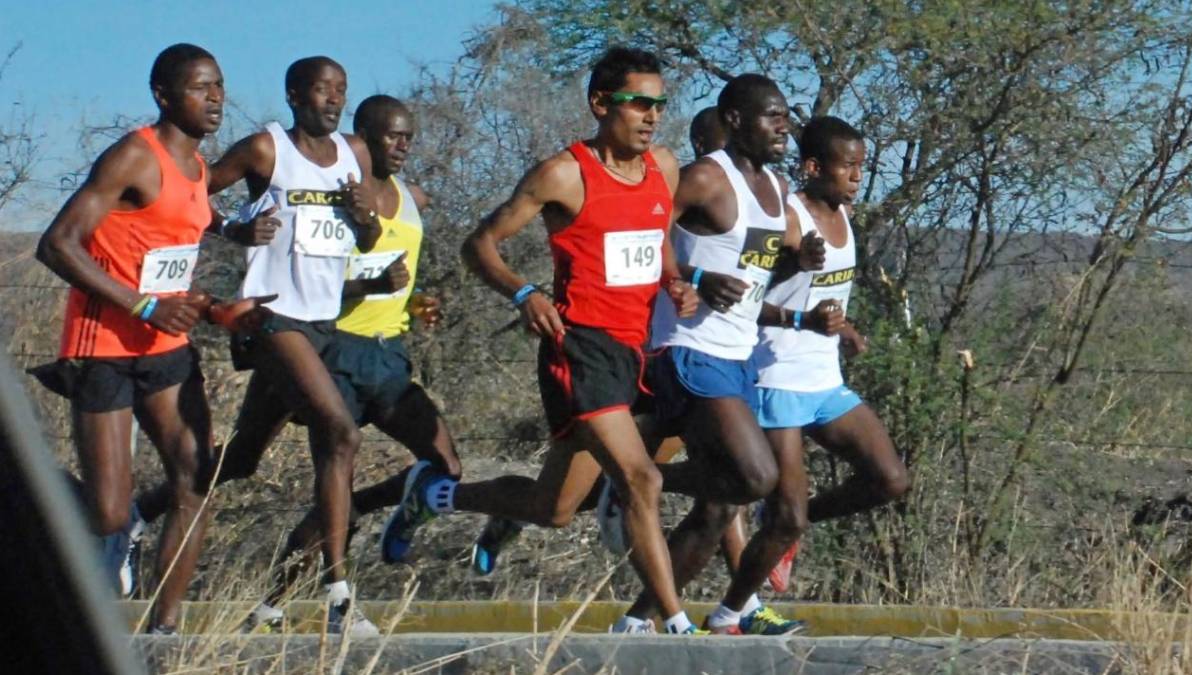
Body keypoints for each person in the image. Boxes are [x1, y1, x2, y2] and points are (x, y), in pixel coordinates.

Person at [378, 47, 709, 635]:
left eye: (659, 104)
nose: (652, 116)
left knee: (552, 510)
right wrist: (523, 293)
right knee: (642, 479)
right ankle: (671, 626)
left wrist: (674, 282)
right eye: (639, 103)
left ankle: (433, 496)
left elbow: (654, 239)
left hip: (636, 349)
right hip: (579, 347)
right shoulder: (564, 173)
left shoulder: (664, 165)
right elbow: (478, 244)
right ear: (601, 104)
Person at [608, 73, 840, 635]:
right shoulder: (707, 178)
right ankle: (631, 483)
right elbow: (636, 234)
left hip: (739, 357)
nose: (783, 127)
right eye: (771, 117)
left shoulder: (778, 190)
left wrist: (800, 258)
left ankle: (636, 623)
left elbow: (763, 266)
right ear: (735, 120)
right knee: (756, 477)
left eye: (787, 117)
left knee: (721, 506)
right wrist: (691, 275)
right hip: (687, 349)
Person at [30, 43, 242, 633]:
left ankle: (164, 632)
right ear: (164, 95)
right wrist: (143, 306)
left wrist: (216, 309)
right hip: (104, 348)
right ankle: (34, 496)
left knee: (196, 475)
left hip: (164, 352)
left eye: (220, 86)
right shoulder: (134, 158)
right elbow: (56, 244)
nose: (216, 98)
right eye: (201, 87)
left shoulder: (200, 170)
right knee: (108, 511)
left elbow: (165, 265)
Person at [204, 55, 383, 635]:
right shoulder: (266, 150)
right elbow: (189, 193)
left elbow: (368, 232)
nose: (333, 100)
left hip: (322, 321)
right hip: (271, 316)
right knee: (340, 433)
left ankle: (136, 515)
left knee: (240, 459)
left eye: (342, 91)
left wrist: (366, 220)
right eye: (323, 90)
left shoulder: (353, 155)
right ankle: (338, 593)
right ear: (294, 94)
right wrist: (232, 229)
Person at [744, 115, 910, 605]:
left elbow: (825, 295)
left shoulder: (844, 216)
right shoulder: (787, 216)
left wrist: (847, 329)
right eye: (849, 167)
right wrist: (790, 261)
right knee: (785, 512)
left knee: (890, 480)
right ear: (814, 167)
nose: (858, 176)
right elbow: (744, 288)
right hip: (776, 378)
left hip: (823, 378)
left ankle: (789, 526)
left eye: (862, 166)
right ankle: (735, 611)